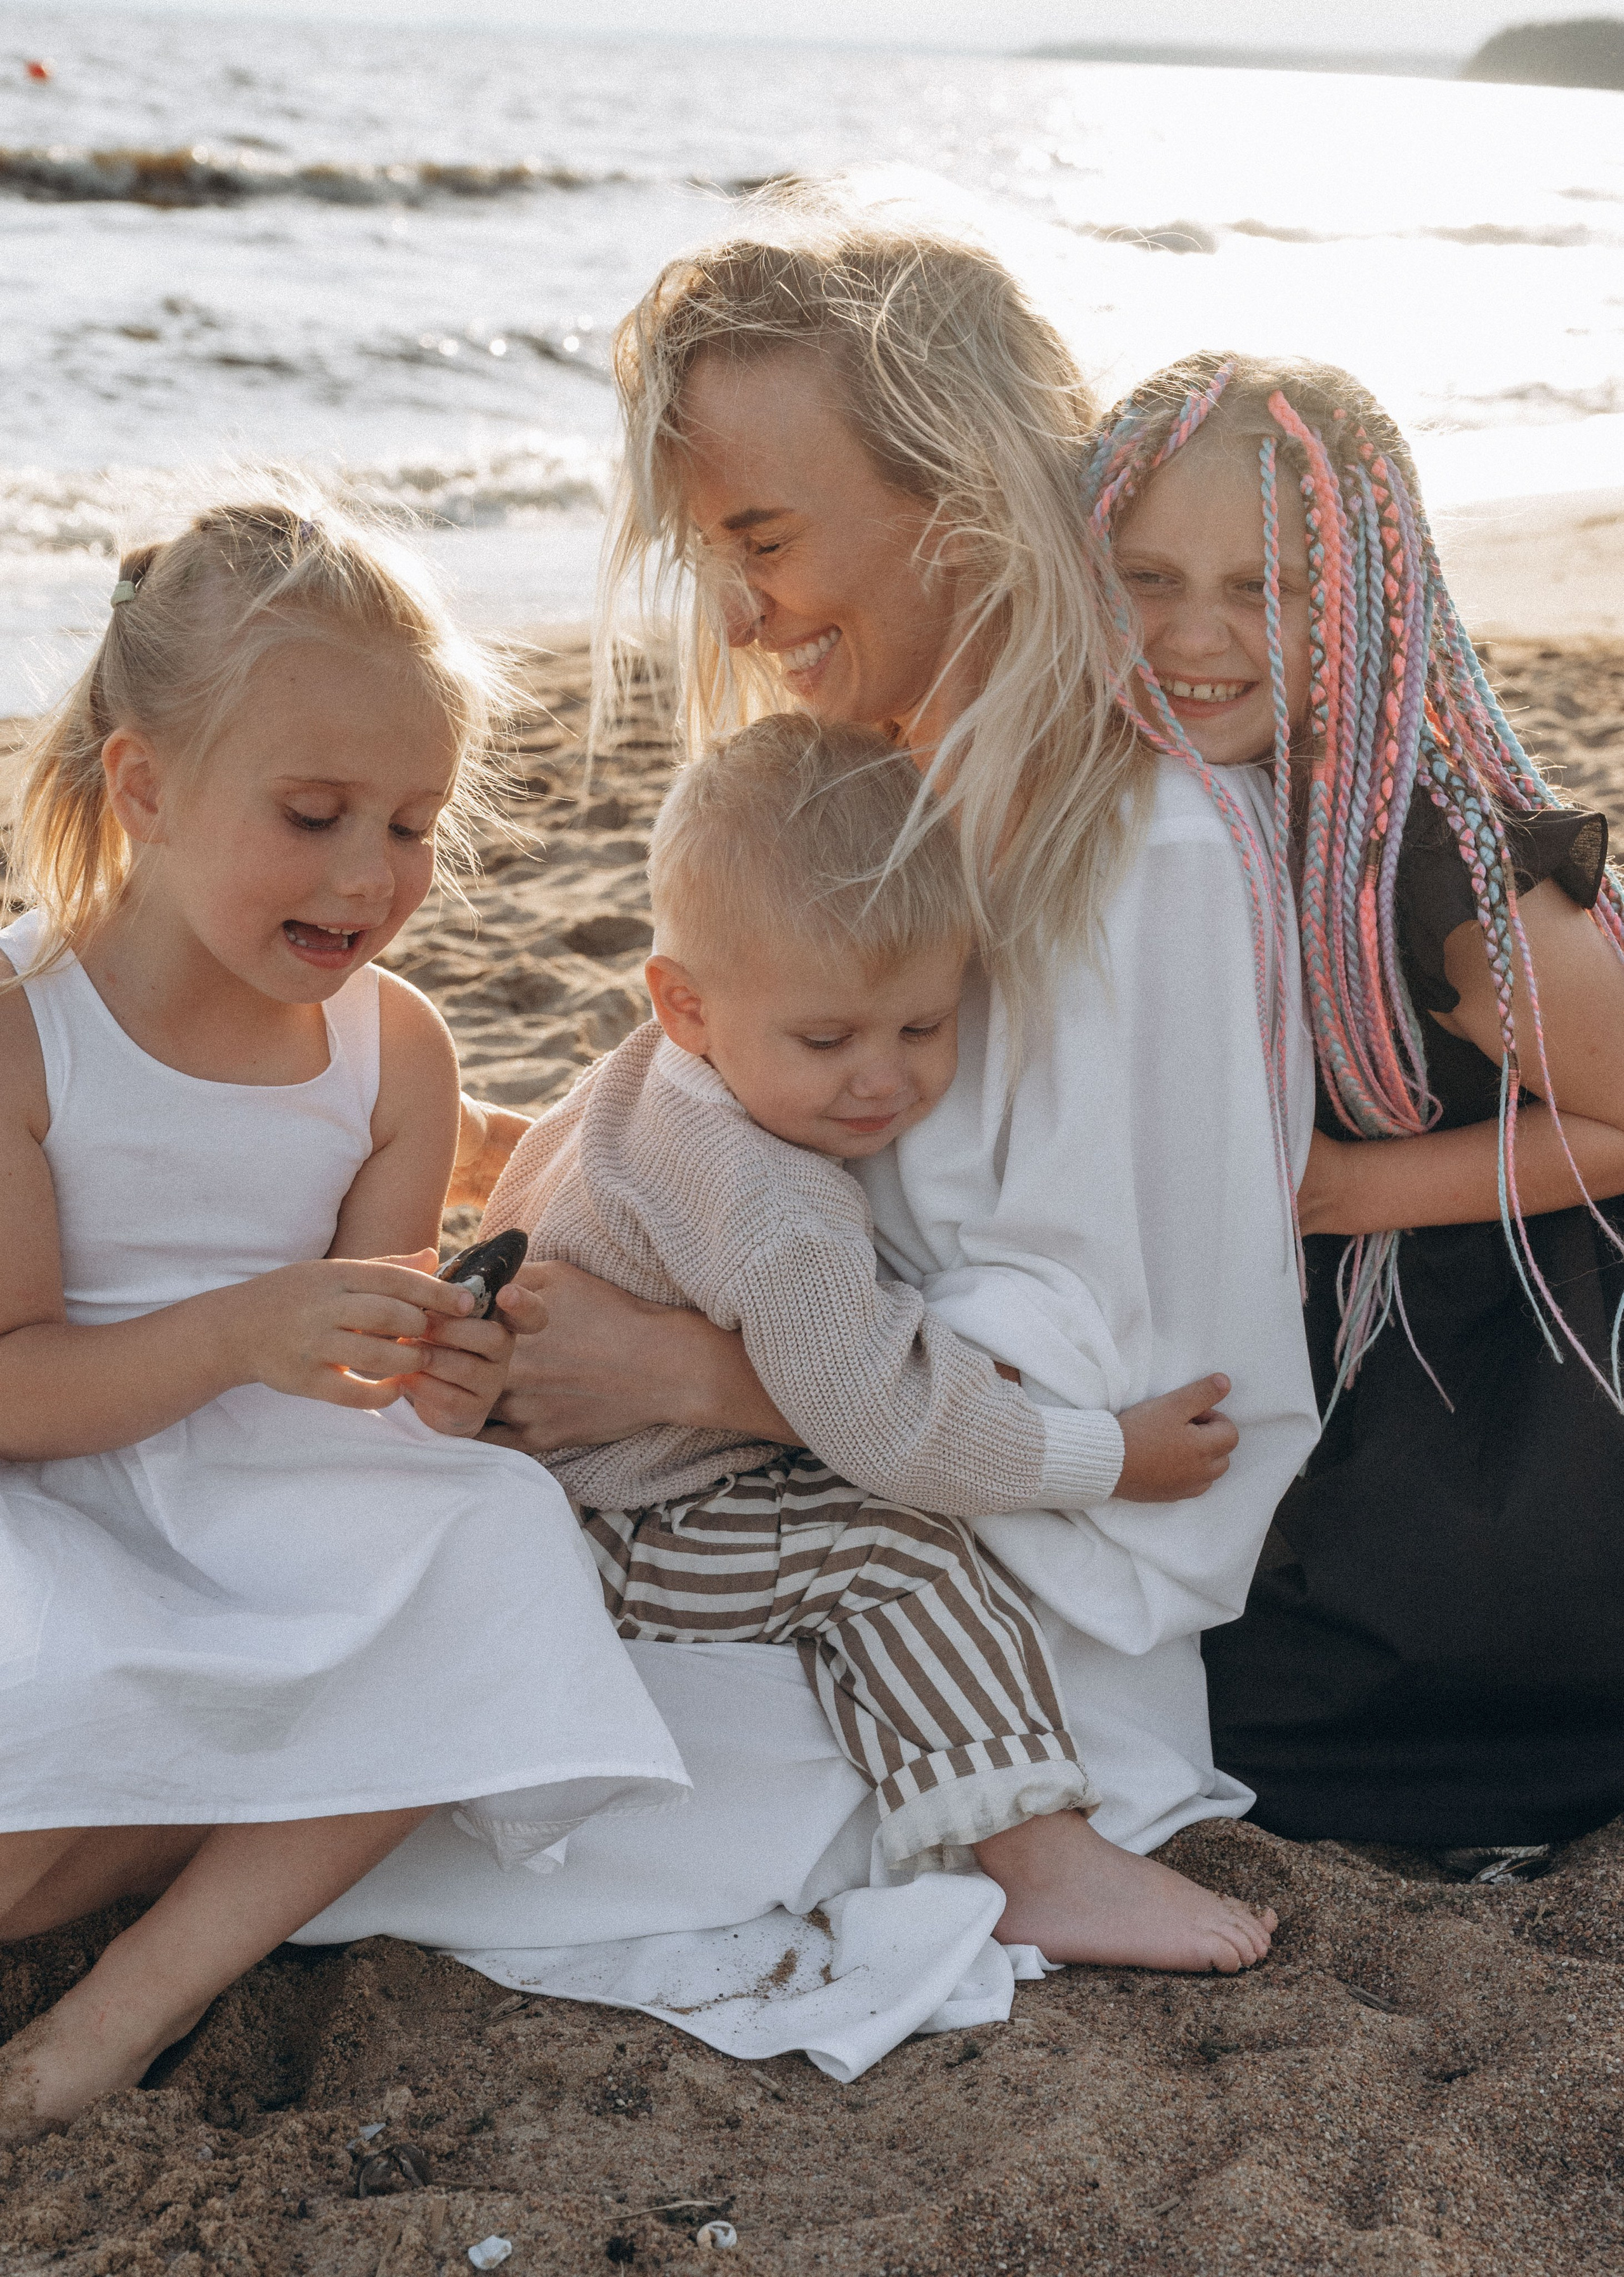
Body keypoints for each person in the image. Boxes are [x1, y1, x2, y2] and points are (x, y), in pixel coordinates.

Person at [469, 192, 1320, 1968]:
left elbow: (1158, 1366)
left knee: (413, 1764)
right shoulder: (875, 812)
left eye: (764, 533)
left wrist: (680, 1367)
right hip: (802, 1490)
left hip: (999, 1619)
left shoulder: (1148, 848)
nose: (738, 602)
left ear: (956, 494)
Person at [0, 500, 686, 2142]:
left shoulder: (396, 1048)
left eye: (412, 822)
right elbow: (17, 1388)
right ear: (145, 787)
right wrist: (246, 1329)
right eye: (314, 816)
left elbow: (381, 1390)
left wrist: (445, 1377)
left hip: (279, 1486)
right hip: (62, 1482)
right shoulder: (34, 1035)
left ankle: (137, 1999)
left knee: (502, 1534)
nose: (373, 876)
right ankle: (270, 1778)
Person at [484, 709, 1259, 1964]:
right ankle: (1043, 1862)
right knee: (893, 1551)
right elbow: (892, 1426)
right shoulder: (773, 1205)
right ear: (683, 1004)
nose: (880, 1083)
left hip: (578, 1490)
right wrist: (1104, 1457)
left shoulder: (640, 1078)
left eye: (920, 1024)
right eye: (828, 1039)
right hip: (627, 1531)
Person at [1086, 350, 1624, 1850]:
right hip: (1322, 1333)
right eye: (1145, 576)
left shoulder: (1449, 865)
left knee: (1286, 1727)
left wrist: (1349, 1190)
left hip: (1499, 1359)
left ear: (1371, 606)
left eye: (1266, 590)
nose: (1195, 635)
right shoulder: (1197, 794)